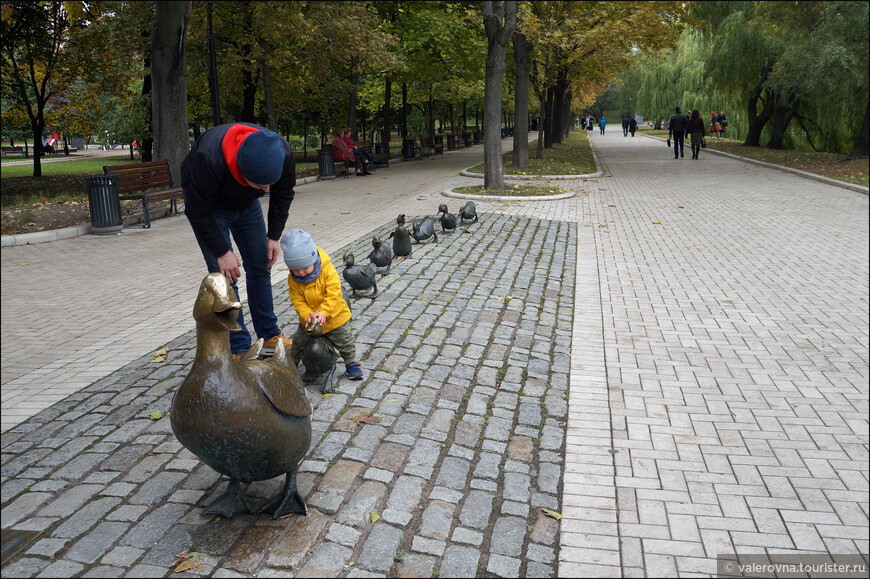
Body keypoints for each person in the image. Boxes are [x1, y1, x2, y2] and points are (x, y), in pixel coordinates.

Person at [181, 122, 294, 357]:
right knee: (225, 278)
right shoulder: (207, 159)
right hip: (210, 208)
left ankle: (269, 334)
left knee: (261, 263)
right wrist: (222, 251)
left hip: (246, 204)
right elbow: (196, 212)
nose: (265, 190)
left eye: (269, 184)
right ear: (240, 171)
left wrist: (273, 235)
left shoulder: (280, 152)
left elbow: (283, 194)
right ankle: (239, 346)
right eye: (260, 184)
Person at [280, 229, 363, 381]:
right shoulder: (293, 280)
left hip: (334, 316)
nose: (301, 273)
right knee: (298, 341)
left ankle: (351, 362)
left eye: (304, 268)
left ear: (313, 259)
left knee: (345, 339)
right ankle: (292, 364)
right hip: (310, 320)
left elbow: (334, 293)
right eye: (295, 270)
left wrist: (324, 312)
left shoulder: (327, 270)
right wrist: (308, 317)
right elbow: (298, 301)